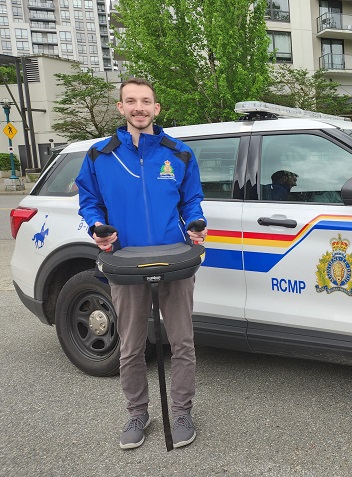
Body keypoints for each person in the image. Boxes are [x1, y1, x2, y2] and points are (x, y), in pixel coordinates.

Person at [75, 78, 208, 450]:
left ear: (156, 108)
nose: (139, 108)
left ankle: (181, 411)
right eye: (131, 101)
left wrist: (196, 225)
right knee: (131, 346)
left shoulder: (178, 153)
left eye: (146, 101)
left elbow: (192, 200)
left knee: (182, 342)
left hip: (175, 260)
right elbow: (90, 201)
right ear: (120, 108)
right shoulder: (100, 155)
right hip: (125, 262)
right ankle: (137, 413)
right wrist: (97, 229)